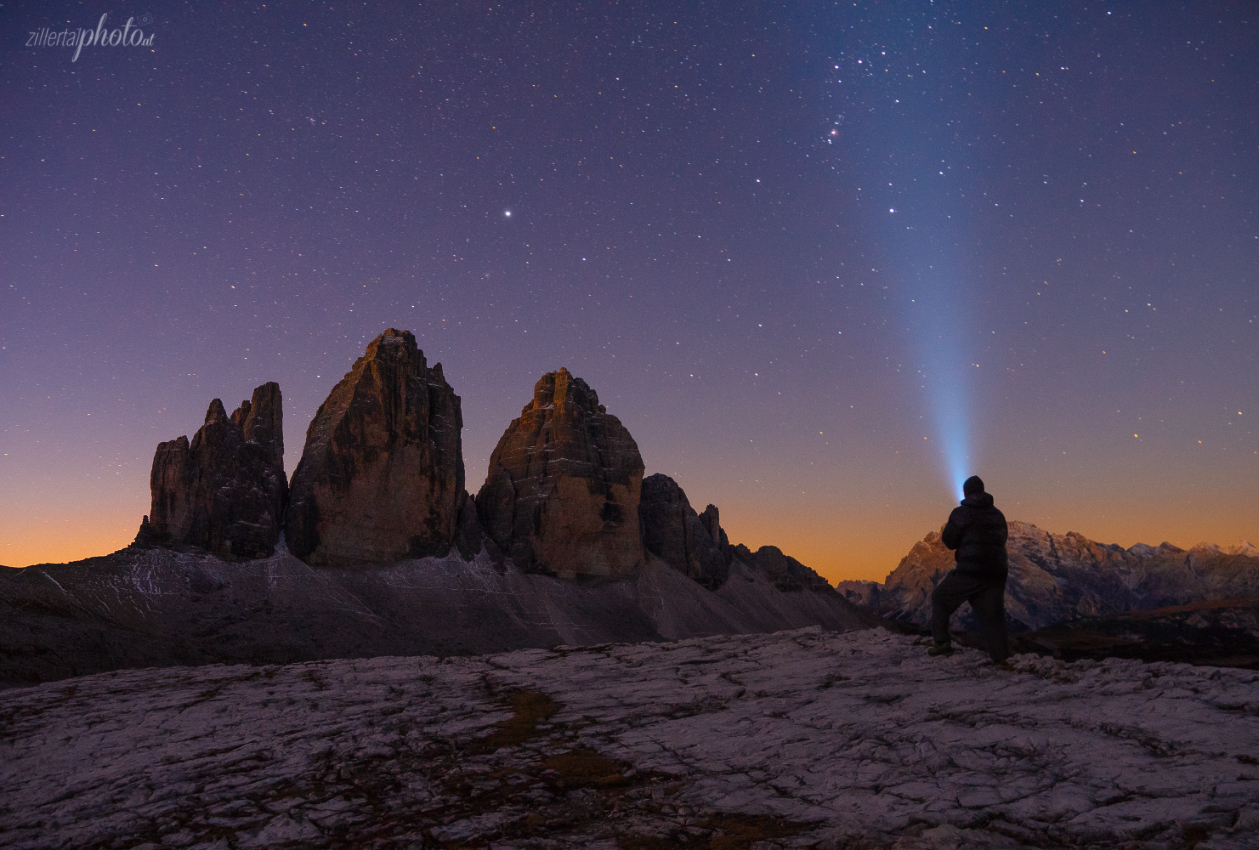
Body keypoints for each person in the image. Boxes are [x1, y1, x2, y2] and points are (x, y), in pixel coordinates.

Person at [928, 475, 1010, 663]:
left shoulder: (960, 513)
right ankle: (1002, 660)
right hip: (997, 572)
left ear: (966, 492)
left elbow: (949, 541)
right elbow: (1002, 539)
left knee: (940, 599)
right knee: (993, 618)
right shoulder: (998, 514)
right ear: (982, 491)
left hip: (970, 571)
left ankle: (942, 643)